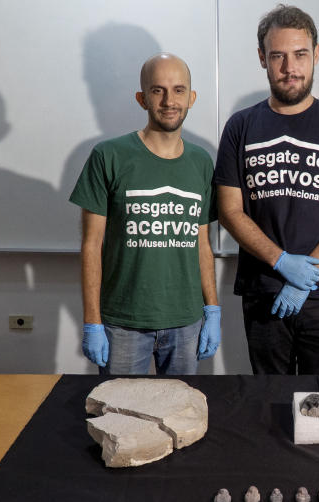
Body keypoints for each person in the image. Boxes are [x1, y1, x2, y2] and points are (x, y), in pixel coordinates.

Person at [214, 4, 319, 374]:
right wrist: (281, 262)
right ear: (262, 59)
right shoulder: (240, 126)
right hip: (264, 290)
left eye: (300, 54)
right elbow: (229, 210)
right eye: (278, 56)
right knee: (268, 399)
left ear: (317, 54)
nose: (290, 68)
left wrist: (308, 275)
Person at [71, 53, 220, 375]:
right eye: (158, 90)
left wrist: (213, 309)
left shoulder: (201, 162)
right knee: (120, 420)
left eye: (179, 90)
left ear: (191, 98)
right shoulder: (108, 156)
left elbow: (202, 244)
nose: (169, 100)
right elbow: (91, 246)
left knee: (179, 419)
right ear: (142, 99)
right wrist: (92, 321)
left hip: (186, 321)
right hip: (123, 323)